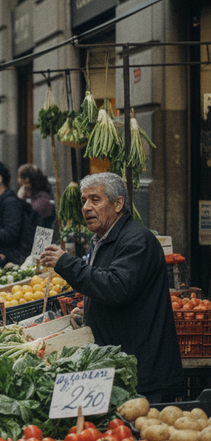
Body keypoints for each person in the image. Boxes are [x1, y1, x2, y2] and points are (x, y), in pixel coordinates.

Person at [40, 172, 182, 402]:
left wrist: (66, 263)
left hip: (140, 371)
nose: (86, 207)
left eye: (95, 199)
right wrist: (89, 310)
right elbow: (108, 284)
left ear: (118, 204)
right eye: (84, 201)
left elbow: (117, 287)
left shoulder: (137, 240)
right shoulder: (101, 240)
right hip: (119, 365)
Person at [17, 164, 55, 228]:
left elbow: (22, 224)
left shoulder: (41, 203)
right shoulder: (38, 200)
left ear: (27, 183)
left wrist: (19, 200)